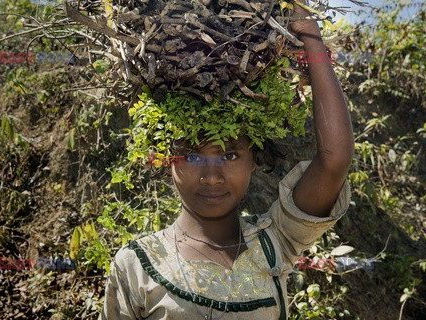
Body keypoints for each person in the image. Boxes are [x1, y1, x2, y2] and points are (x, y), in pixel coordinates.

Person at [101, 0, 354, 319]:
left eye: (231, 154)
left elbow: (335, 161)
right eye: (192, 154)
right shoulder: (135, 265)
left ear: (253, 160)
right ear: (168, 158)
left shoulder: (274, 242)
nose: (212, 176)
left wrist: (311, 37)